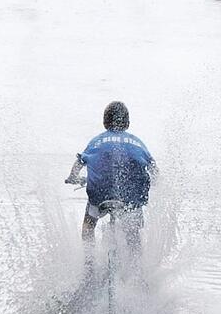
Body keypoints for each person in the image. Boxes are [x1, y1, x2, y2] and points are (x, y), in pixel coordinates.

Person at [65, 101, 156, 243]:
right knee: (133, 233)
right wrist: (157, 181)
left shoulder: (96, 141)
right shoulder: (138, 142)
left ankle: (89, 260)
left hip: (100, 193)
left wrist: (73, 177)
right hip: (131, 196)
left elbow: (79, 162)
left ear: (105, 122)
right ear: (127, 123)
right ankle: (136, 261)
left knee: (88, 226)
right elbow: (153, 168)